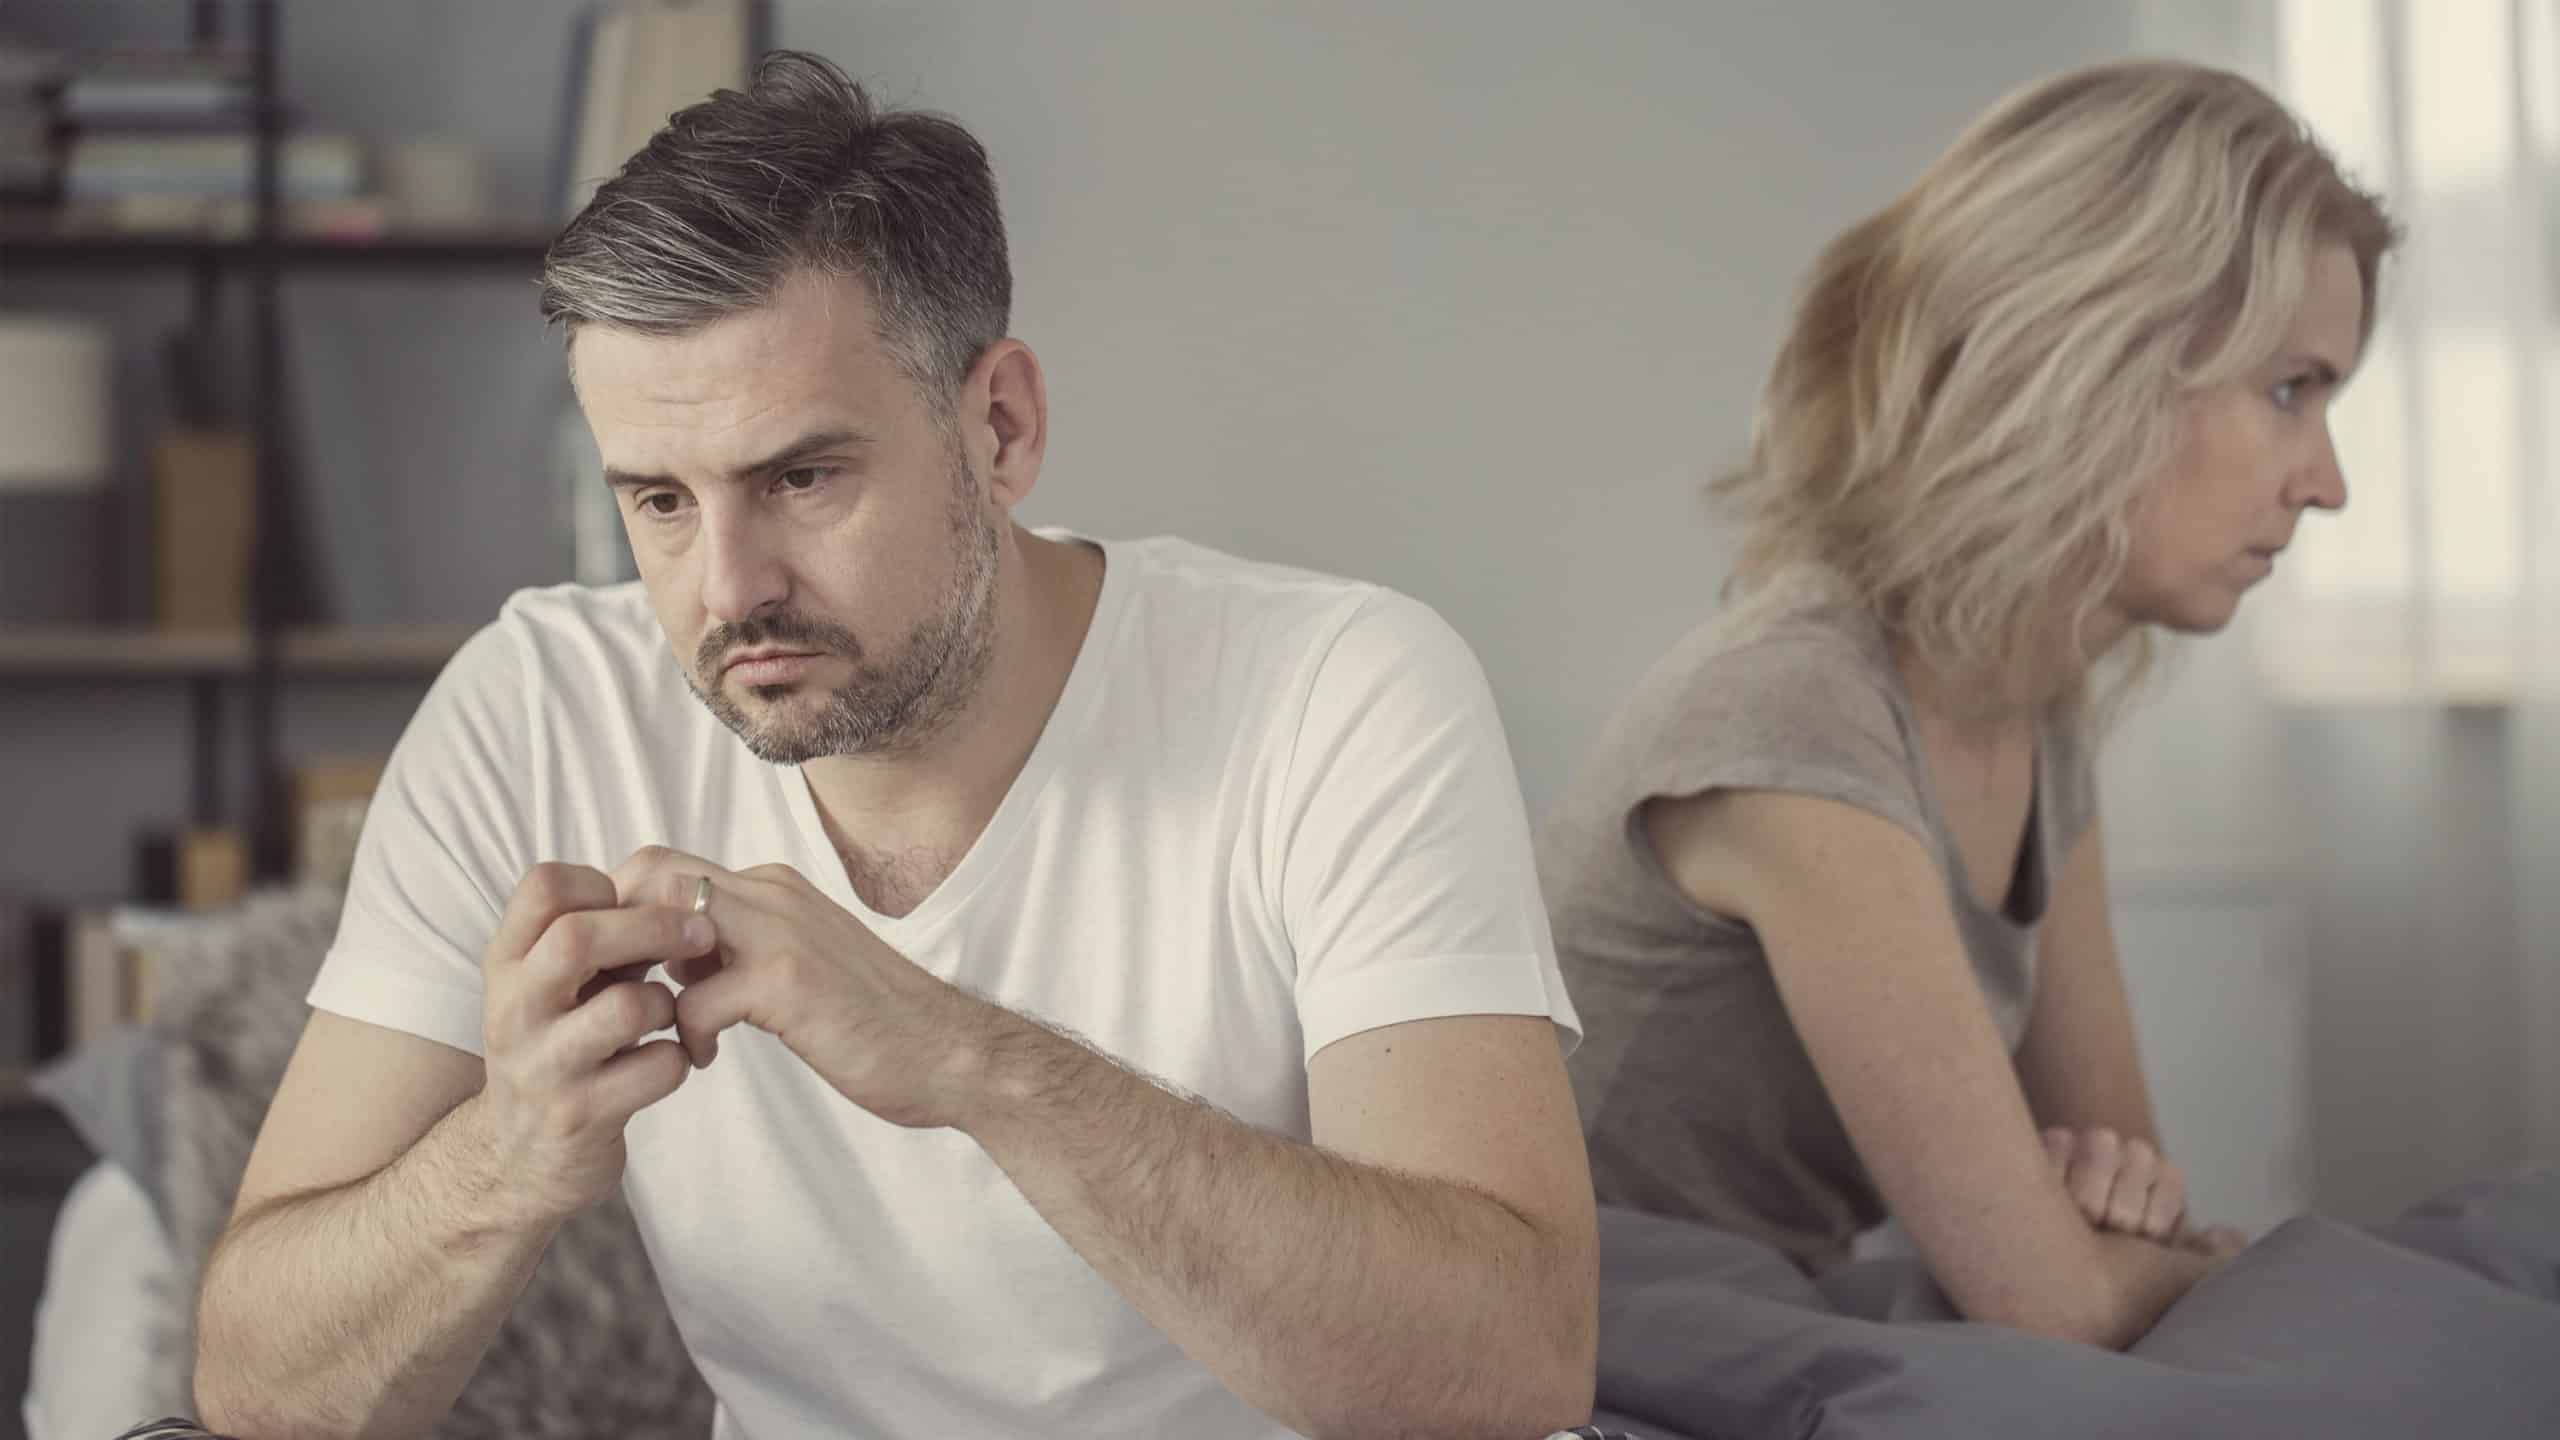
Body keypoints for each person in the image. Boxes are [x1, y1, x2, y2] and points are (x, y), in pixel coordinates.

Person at [189, 53, 1599, 1440]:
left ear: (999, 425)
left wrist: (967, 1061)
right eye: (659, 503)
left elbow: (1513, 1364)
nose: (728, 588)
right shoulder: (537, 707)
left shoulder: (1339, 693)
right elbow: (254, 1392)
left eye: (800, 478)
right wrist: (503, 1161)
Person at [1539, 60, 2395, 1349]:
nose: (2325, 483)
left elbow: (2129, 1216)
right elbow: (2054, 1298)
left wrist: (2134, 1248)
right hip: (1601, 1365)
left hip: (1771, 1332)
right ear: (2090, 358)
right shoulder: (1794, 718)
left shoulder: (2038, 710)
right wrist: (2163, 1265)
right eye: (2291, 391)